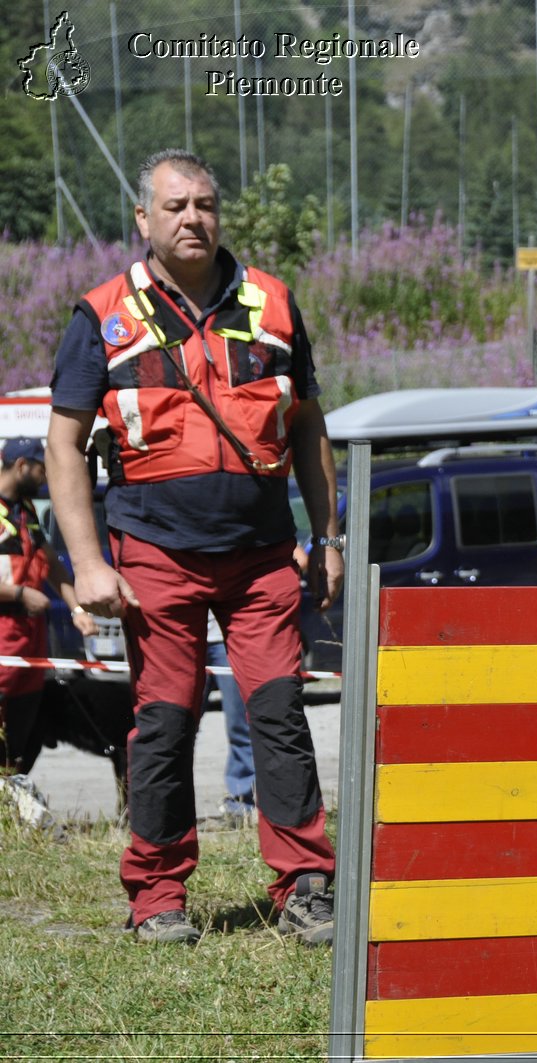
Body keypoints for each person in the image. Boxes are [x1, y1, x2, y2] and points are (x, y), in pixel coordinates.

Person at [45, 148, 342, 946]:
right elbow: (64, 445)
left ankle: (306, 884)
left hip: (263, 557)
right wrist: (88, 564)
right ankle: (157, 893)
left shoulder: (274, 303)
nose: (192, 219)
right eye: (174, 206)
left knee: (281, 715)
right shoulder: (100, 313)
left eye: (205, 204)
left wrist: (328, 536)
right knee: (166, 723)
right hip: (153, 556)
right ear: (142, 220)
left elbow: (310, 425)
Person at [1, 438, 99, 773]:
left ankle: (13, 809)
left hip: (29, 642)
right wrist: (17, 596)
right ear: (20, 466)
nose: (45, 476)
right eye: (41, 468)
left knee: (22, 737)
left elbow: (52, 565)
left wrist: (77, 610)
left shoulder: (25, 511)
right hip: (3, 638)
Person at [205, 611, 254, 826]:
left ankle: (242, 803)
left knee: (240, 725)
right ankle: (173, 806)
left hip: (229, 636)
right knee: (177, 727)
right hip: (182, 635)